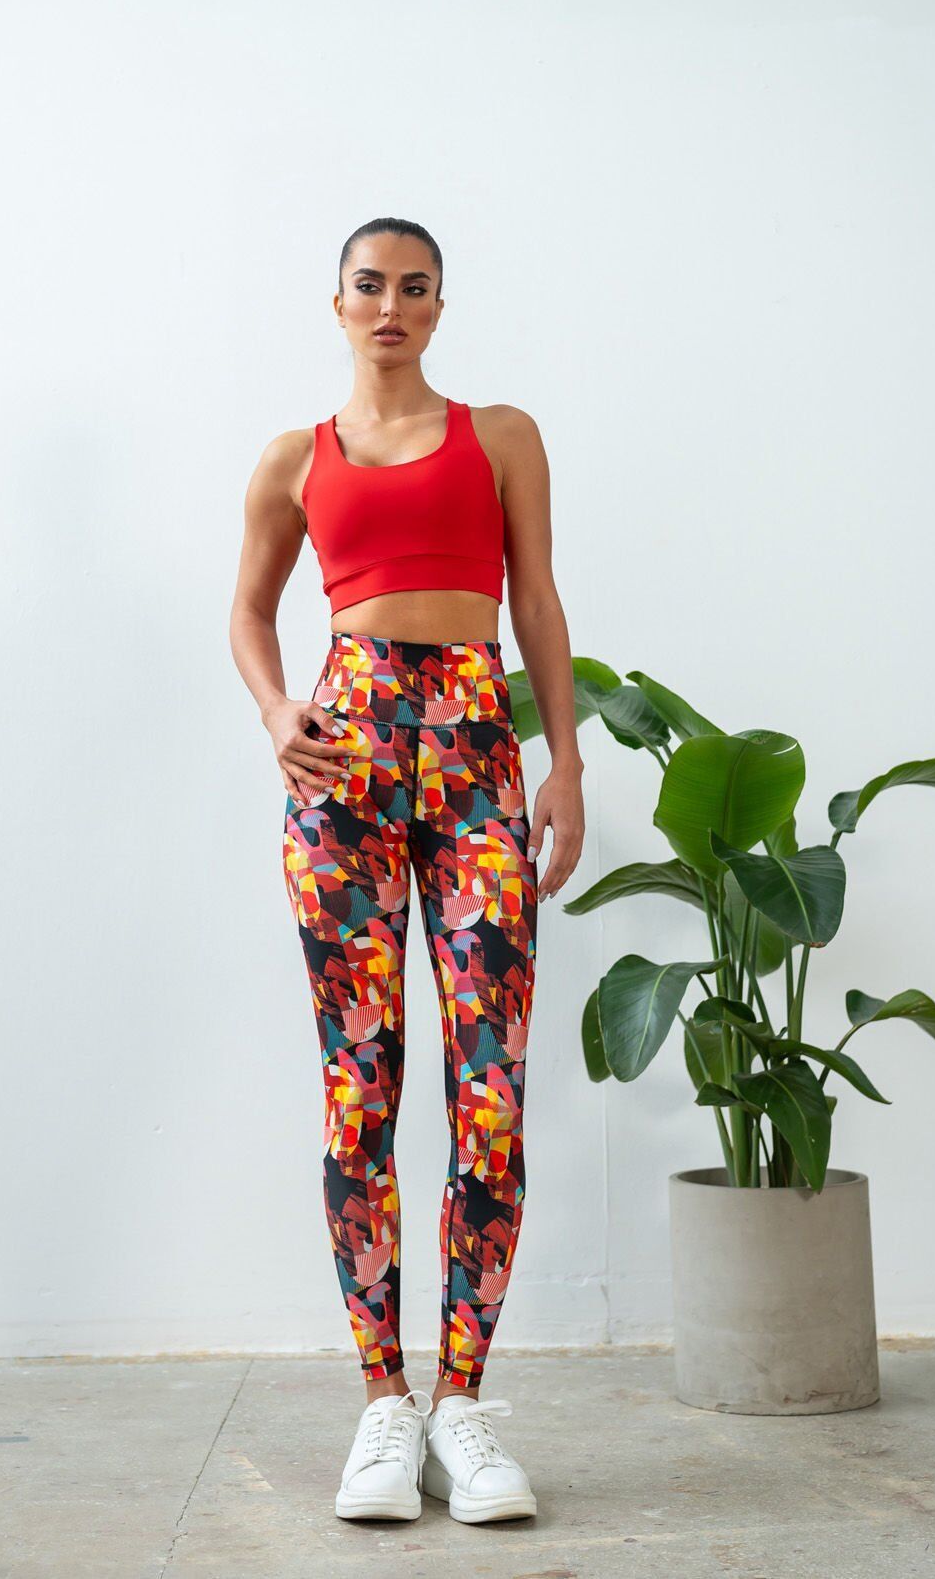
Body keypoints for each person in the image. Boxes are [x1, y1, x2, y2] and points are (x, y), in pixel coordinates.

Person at [230, 216, 585, 1525]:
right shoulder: (295, 459)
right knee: (360, 1087)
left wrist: (564, 766)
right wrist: (278, 711)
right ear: (337, 303)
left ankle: (463, 1406)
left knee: (489, 1089)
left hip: (479, 753)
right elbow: (248, 611)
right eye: (370, 285)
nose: (391, 305)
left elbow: (536, 600)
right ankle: (384, 1402)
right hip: (347, 763)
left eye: (414, 287)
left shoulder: (503, 437)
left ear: (439, 307)